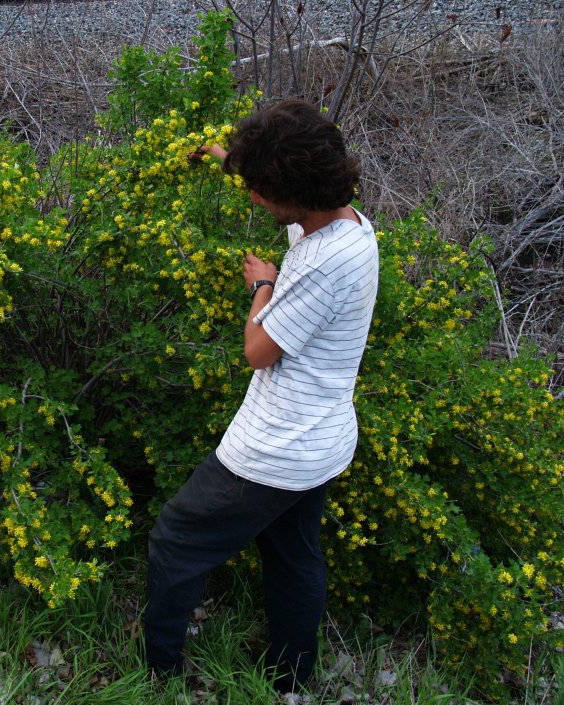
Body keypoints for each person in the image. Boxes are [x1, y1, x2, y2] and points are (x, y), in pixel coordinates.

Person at [144, 99, 379, 694]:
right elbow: (294, 214)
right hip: (321, 443)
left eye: (261, 190)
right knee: (294, 557)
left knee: (175, 538)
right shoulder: (349, 225)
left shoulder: (322, 265)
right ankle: (289, 678)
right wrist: (225, 157)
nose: (254, 199)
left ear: (295, 190)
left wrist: (264, 284)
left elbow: (257, 350)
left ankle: (159, 672)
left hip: (276, 448)